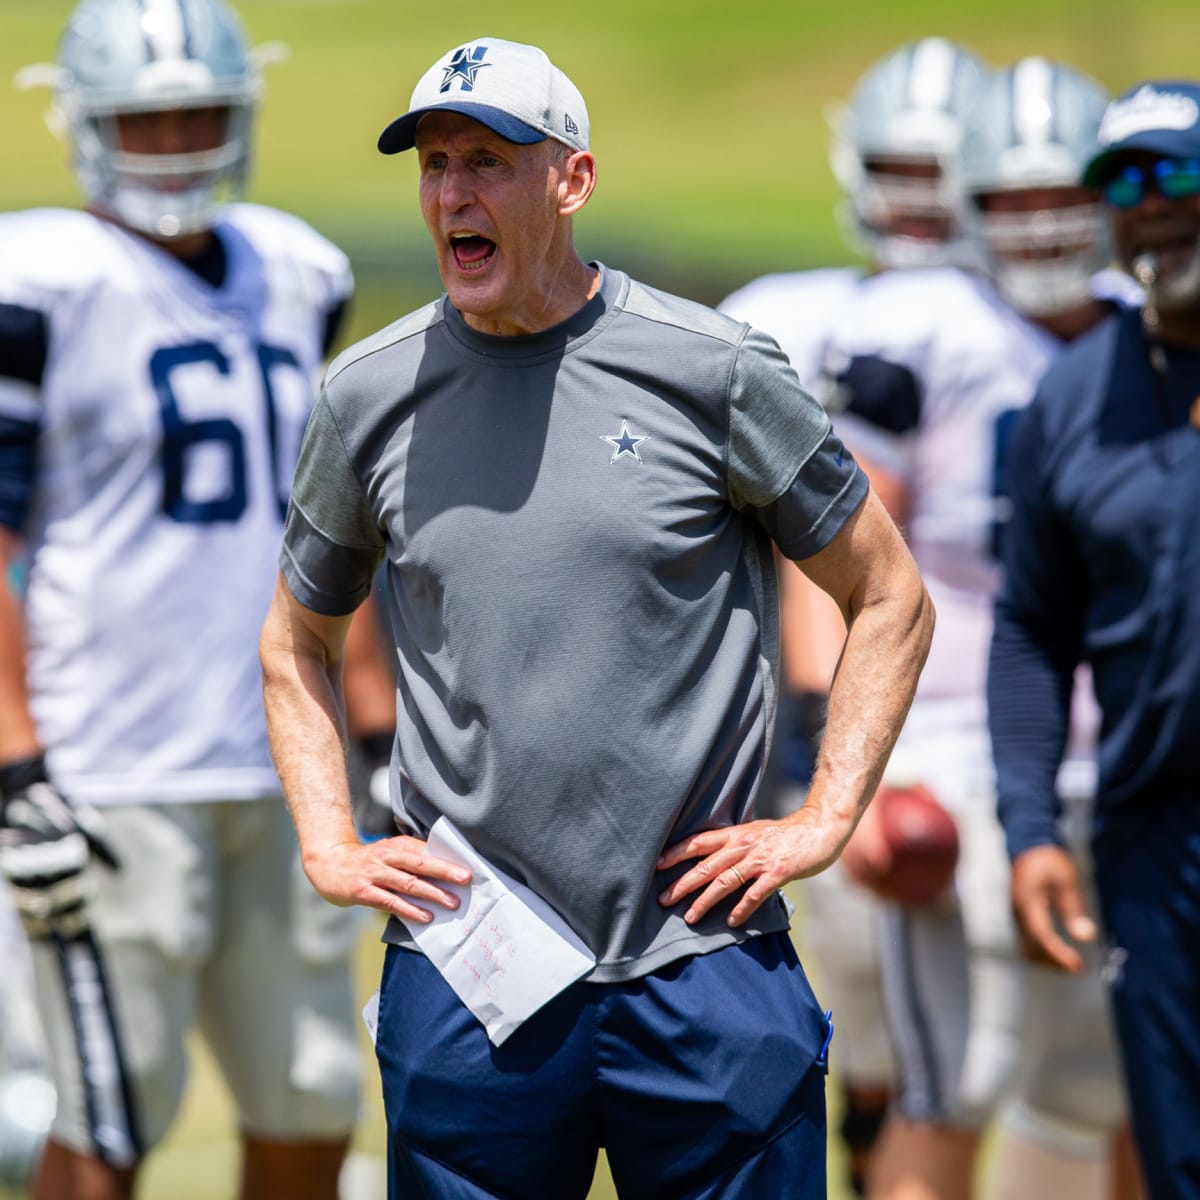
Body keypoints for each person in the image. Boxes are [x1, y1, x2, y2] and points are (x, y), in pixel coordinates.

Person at [258, 34, 934, 1200]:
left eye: (488, 161)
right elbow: (295, 643)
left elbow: (888, 593)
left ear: (571, 181)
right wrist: (329, 842)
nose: (453, 193)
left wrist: (822, 817)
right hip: (471, 971)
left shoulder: (712, 369)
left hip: (706, 958)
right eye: (433, 165)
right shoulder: (365, 396)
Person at [0, 1, 395, 1196]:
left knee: (313, 1095)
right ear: (84, 125)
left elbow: (333, 528)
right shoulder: (43, 280)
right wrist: (16, 758)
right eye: (145, 117)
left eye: (196, 114)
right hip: (110, 760)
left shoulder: (295, 270)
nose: (173, 140)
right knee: (113, 1114)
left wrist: (371, 723)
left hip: (287, 759)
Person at [826, 58, 1144, 1200]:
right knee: (952, 1076)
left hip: (1119, 748)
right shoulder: (916, 324)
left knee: (1100, 1082)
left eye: (1058, 192)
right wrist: (842, 761)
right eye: (1008, 197)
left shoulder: (1149, 332)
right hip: (950, 739)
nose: (1038, 222)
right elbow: (842, 564)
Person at [718, 37, 987, 1195]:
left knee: (967, 1049)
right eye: (898, 168)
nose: (916, 201)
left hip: (955, 705)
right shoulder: (778, 312)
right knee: (859, 1033)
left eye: (939, 171)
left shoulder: (1014, 328)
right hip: (827, 710)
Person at [989, 78, 1200, 1200]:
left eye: (1179, 171)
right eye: (1125, 181)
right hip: (1153, 842)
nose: (1154, 204)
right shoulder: (1072, 398)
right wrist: (1029, 825)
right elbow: (1030, 628)